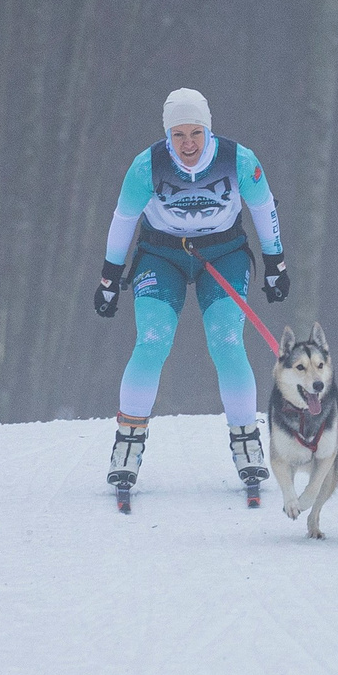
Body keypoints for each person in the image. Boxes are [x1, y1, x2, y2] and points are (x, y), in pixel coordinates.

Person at [94, 88, 289, 494]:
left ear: (208, 131)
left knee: (226, 341)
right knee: (152, 341)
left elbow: (263, 208)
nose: (187, 144)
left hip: (223, 255)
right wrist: (109, 277)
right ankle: (127, 444)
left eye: (196, 133)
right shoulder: (147, 166)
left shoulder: (239, 160)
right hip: (161, 255)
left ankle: (247, 442)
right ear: (167, 134)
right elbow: (123, 220)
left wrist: (276, 263)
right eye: (178, 134)